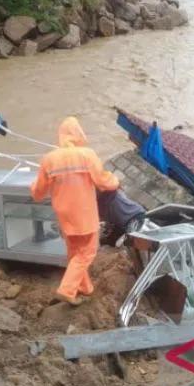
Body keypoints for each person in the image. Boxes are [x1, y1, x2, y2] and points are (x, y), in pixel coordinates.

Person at [30, 117, 120, 306]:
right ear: (78, 134)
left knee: (74, 252)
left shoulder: (49, 159)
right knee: (87, 252)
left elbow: (38, 191)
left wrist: (33, 189)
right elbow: (103, 182)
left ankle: (84, 287)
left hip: (64, 214)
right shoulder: (87, 155)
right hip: (84, 213)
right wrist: (115, 181)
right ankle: (67, 289)